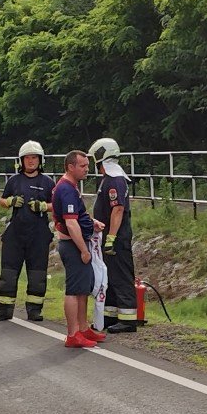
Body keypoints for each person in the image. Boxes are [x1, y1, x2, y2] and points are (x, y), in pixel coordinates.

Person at [0, 141, 57, 323]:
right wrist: (10, 201)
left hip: (38, 235)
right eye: (27, 158)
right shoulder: (14, 180)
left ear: (40, 160)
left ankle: (34, 310)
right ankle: (4, 309)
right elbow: (2, 201)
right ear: (21, 160)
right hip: (15, 234)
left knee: (37, 275)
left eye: (34, 157)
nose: (30, 161)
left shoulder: (48, 182)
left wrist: (44, 206)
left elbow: (56, 205)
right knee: (8, 273)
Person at [53, 150, 106, 348]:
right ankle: (73, 333)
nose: (87, 170)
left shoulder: (71, 187)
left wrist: (92, 223)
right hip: (72, 244)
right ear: (70, 167)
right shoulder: (66, 189)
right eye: (83, 166)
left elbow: (78, 216)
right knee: (74, 290)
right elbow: (71, 223)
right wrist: (83, 250)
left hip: (77, 242)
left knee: (83, 288)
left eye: (87, 166)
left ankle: (83, 328)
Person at [89, 138, 140, 333]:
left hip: (116, 238)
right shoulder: (109, 178)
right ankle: (110, 315)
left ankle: (128, 319)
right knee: (108, 275)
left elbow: (117, 209)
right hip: (109, 237)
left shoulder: (114, 179)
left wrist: (111, 238)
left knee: (120, 275)